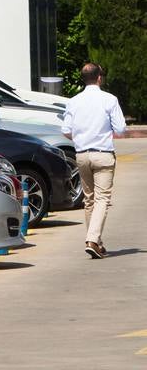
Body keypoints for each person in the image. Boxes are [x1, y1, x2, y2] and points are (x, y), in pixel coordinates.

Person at [61, 62, 126, 259]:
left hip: (82, 155)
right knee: (102, 199)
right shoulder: (109, 99)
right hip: (103, 154)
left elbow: (65, 130)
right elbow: (121, 129)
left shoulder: (73, 101)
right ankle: (92, 239)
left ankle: (96, 242)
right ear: (99, 78)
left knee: (89, 200)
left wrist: (81, 139)